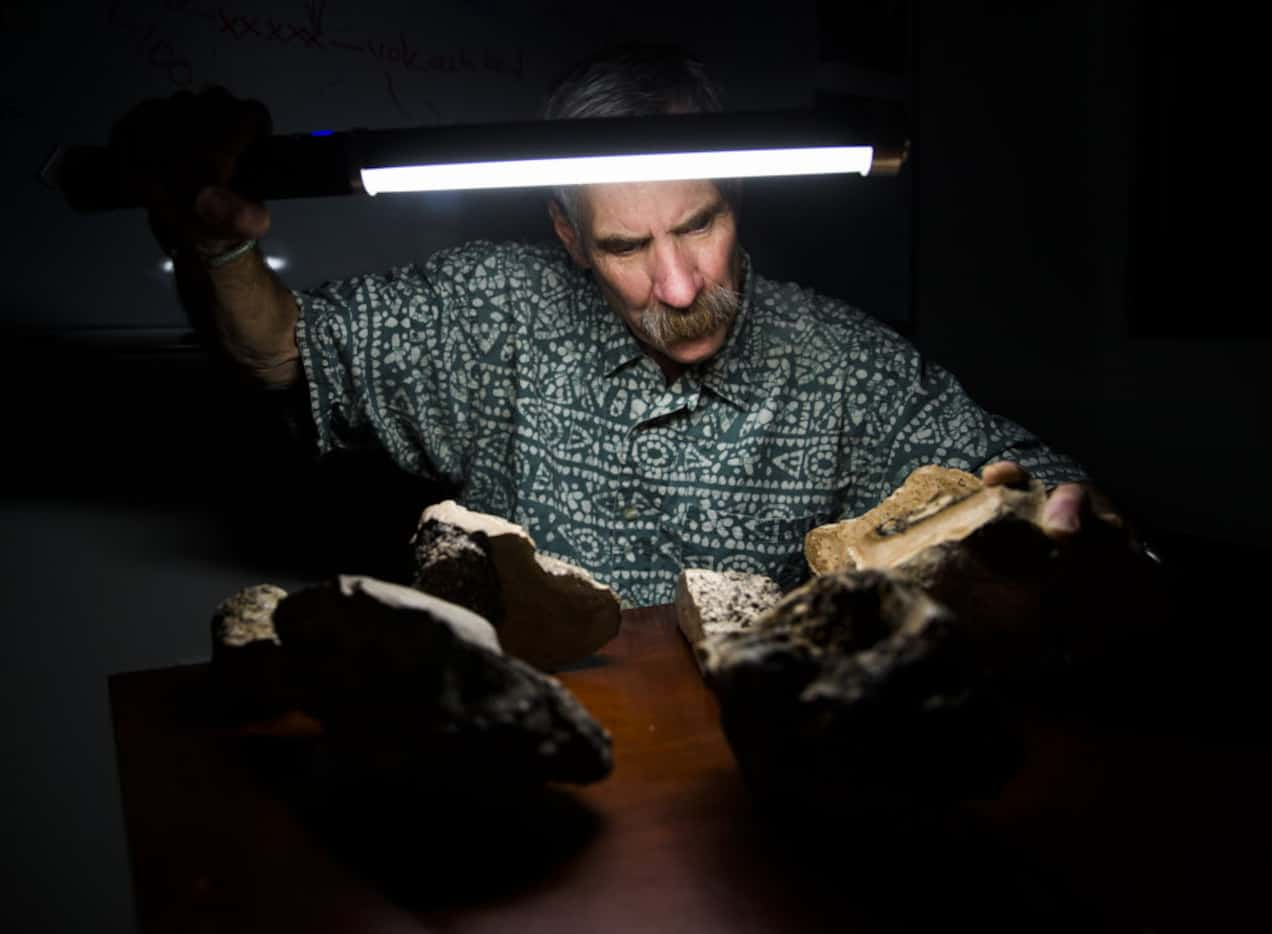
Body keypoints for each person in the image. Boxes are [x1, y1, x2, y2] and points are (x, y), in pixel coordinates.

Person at [112, 44, 1113, 607]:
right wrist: (218, 247)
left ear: (741, 195)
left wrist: (1067, 516)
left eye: (700, 224)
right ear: (570, 237)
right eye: (629, 246)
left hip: (747, 771)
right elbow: (281, 353)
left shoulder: (839, 362)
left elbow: (1026, 471)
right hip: (529, 758)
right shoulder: (496, 313)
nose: (679, 286)